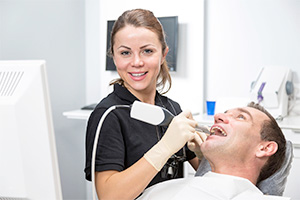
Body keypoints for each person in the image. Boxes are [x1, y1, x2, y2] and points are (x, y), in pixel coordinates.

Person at [84, 9, 199, 200]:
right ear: (114, 57)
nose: (136, 62)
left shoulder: (173, 109)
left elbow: (209, 176)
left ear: (163, 55)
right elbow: (109, 196)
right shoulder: (109, 115)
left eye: (147, 51)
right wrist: (164, 148)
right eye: (125, 53)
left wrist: (203, 152)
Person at [137, 102, 291, 200]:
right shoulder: (158, 190)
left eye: (241, 117)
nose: (218, 116)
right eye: (225, 112)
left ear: (265, 148)